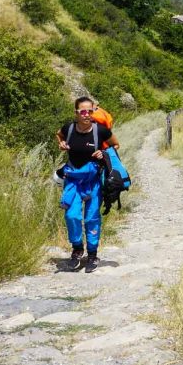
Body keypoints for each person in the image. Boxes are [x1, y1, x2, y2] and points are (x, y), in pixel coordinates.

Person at [56, 96, 120, 271]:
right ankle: (77, 250)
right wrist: (61, 144)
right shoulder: (69, 129)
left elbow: (115, 145)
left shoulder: (100, 131)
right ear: (76, 113)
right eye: (83, 111)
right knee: (72, 216)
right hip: (73, 180)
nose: (87, 115)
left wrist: (103, 153)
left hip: (93, 181)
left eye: (90, 111)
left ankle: (92, 254)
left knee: (91, 217)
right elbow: (59, 135)